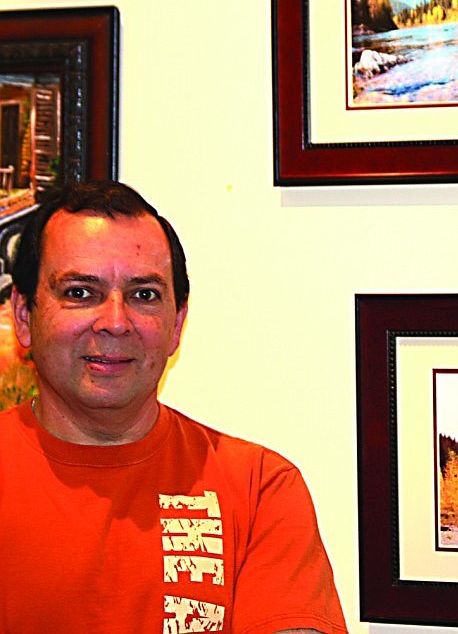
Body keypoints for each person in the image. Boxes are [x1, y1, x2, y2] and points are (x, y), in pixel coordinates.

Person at [0, 180, 347, 634]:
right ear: (24, 316)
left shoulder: (259, 488)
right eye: (81, 292)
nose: (115, 322)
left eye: (144, 295)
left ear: (177, 324)